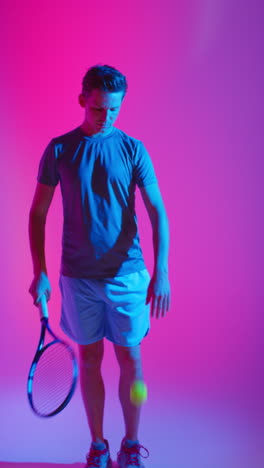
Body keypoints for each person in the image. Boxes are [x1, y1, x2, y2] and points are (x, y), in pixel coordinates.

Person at [29, 64, 170, 468]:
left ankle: (131, 444)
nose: (106, 117)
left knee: (132, 360)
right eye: (98, 109)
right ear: (82, 101)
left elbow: (157, 209)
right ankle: (98, 447)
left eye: (114, 110)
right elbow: (38, 212)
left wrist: (161, 270)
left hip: (128, 276)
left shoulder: (133, 149)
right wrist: (39, 269)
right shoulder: (60, 149)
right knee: (89, 361)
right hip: (78, 279)